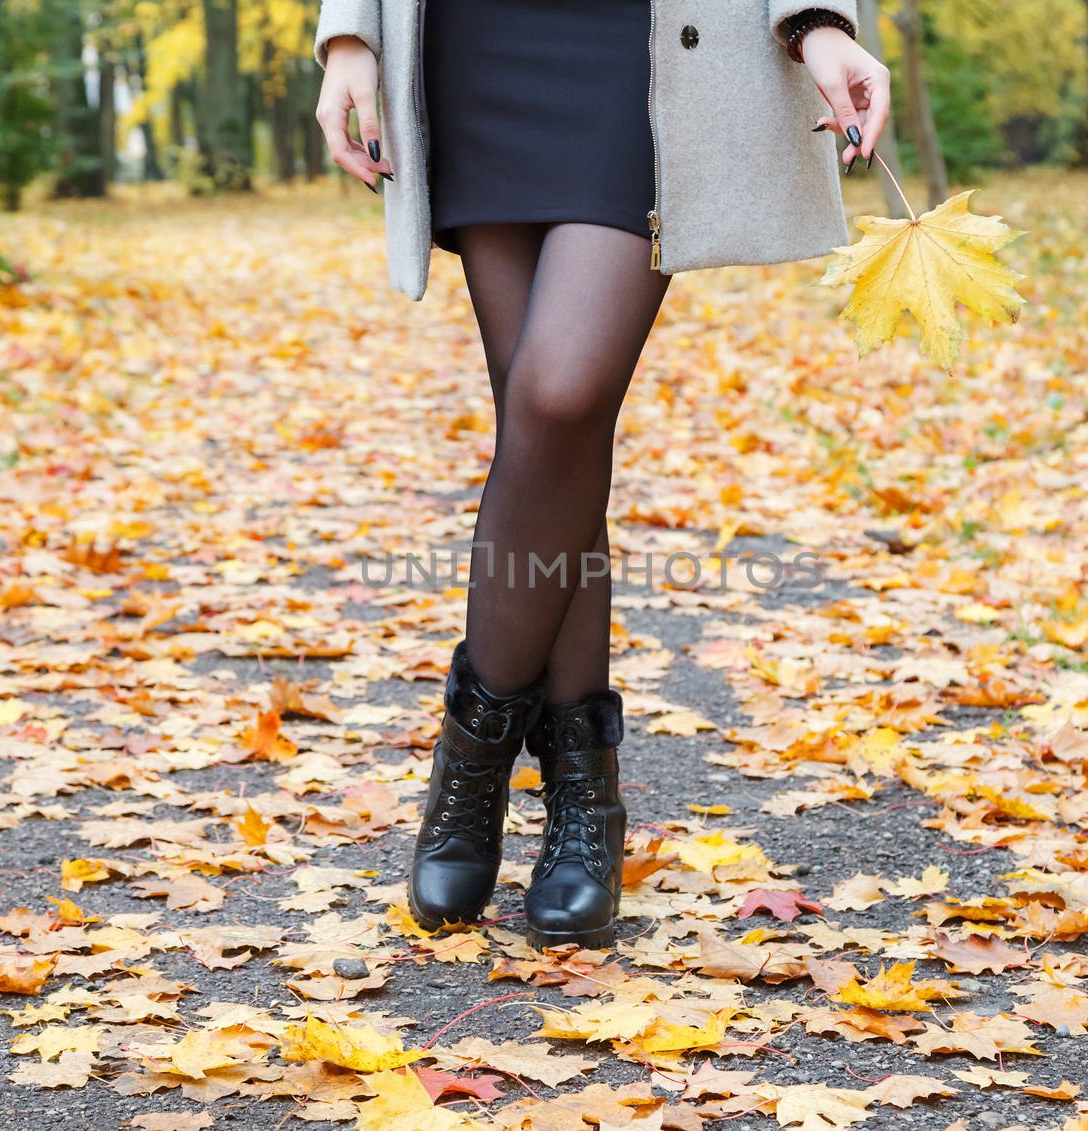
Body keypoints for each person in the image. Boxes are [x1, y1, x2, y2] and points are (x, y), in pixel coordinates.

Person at [313, 0, 891, 950]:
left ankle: (472, 766)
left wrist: (819, 18)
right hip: (479, 46)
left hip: (644, 46)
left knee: (561, 397)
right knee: (550, 444)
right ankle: (586, 800)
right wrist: (351, 38)